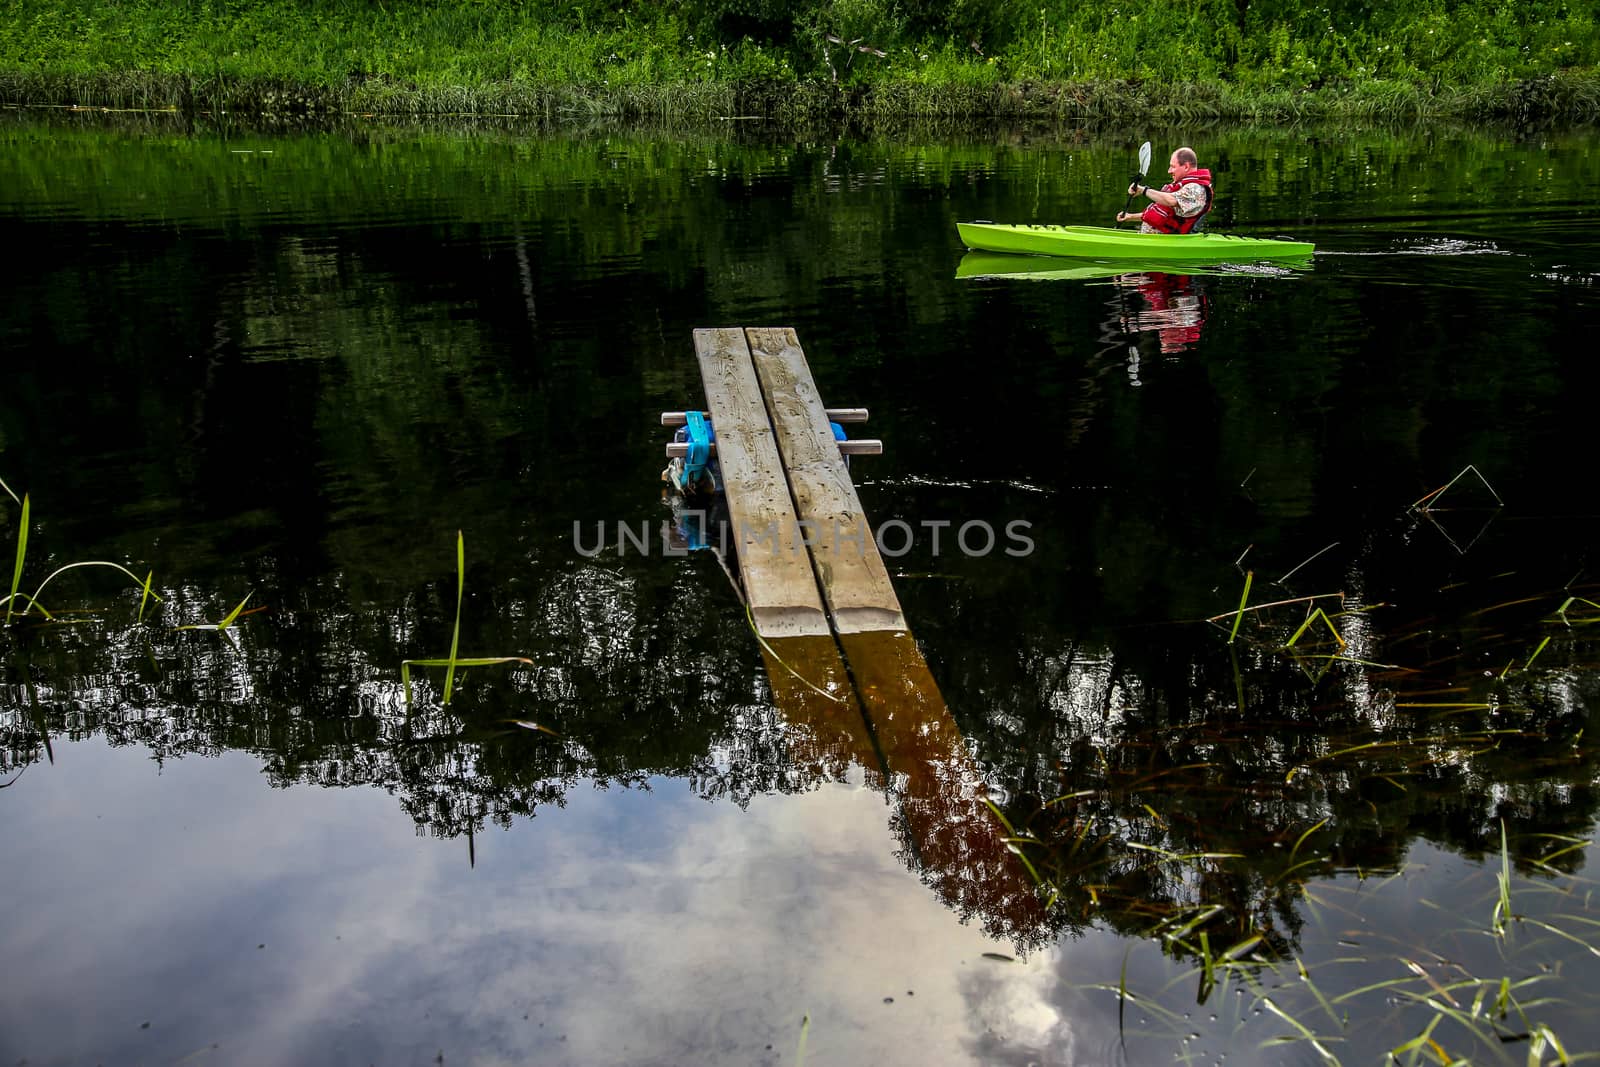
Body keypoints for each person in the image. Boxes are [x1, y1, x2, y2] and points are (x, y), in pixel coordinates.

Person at [1115, 147, 1213, 233]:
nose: (1169, 171)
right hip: (1151, 240)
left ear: (1186, 166)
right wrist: (1130, 217)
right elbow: (1161, 215)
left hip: (1171, 242)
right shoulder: (1181, 186)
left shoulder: (1196, 189)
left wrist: (1143, 190)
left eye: (1173, 166)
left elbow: (1171, 200)